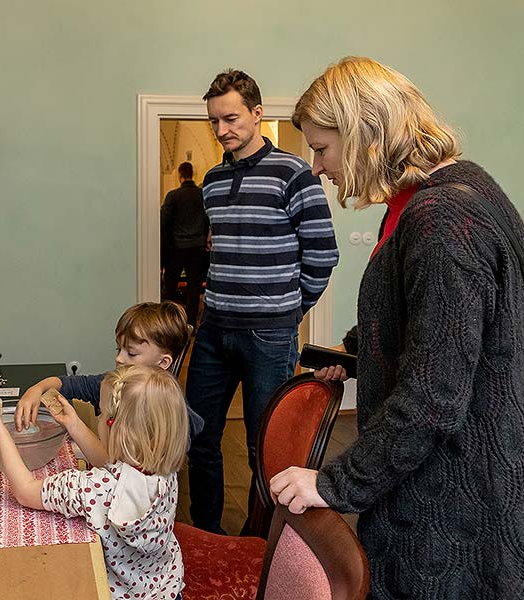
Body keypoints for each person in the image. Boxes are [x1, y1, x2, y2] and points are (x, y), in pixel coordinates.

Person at [269, 57, 524, 599]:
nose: (315, 165)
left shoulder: (442, 219)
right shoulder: (455, 190)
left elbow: (434, 396)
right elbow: (438, 324)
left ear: (363, 134)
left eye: (321, 147)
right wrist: (358, 354)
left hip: (460, 508)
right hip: (468, 485)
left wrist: (334, 483)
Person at [186, 69, 339, 535]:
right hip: (214, 330)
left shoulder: (294, 173)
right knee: (198, 435)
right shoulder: (211, 181)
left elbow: (322, 254)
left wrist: (290, 310)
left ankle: (260, 542)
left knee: (265, 445)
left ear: (256, 113)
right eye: (214, 121)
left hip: (268, 334)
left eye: (230, 118)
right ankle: (206, 533)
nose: (222, 130)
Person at [0, 364, 188, 600]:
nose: (98, 418)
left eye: (101, 413)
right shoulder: (162, 466)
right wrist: (75, 424)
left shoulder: (94, 489)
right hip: (164, 584)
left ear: (116, 427)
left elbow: (25, 491)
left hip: (120, 594)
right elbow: (111, 465)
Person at [14, 301, 204, 442]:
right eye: (118, 349)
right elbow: (72, 384)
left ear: (163, 362)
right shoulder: (115, 382)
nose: (119, 358)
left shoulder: (169, 413)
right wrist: (37, 389)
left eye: (131, 353)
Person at [161, 161, 209, 327]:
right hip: (197, 247)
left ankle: (168, 323)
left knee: (170, 285)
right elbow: (208, 219)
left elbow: (164, 221)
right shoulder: (202, 195)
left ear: (180, 176)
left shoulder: (173, 196)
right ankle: (190, 324)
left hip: (177, 247)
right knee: (194, 287)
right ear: (192, 175)